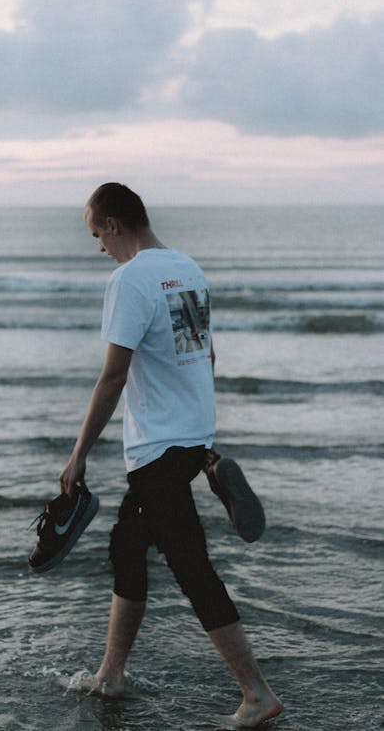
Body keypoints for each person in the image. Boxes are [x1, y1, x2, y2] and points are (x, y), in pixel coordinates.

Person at [59, 183, 283, 727]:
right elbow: (204, 354)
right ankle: (111, 674)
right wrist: (205, 438)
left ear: (113, 223)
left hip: (158, 448)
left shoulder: (129, 279)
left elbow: (113, 375)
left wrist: (78, 454)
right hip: (188, 439)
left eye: (96, 234)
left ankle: (257, 694)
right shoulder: (187, 268)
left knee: (190, 564)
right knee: (129, 547)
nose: (98, 248)